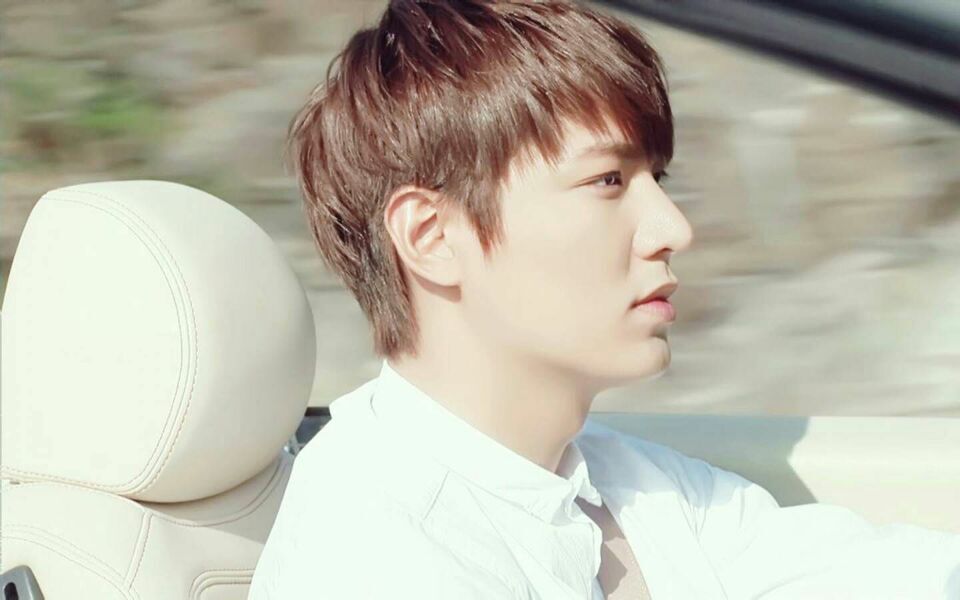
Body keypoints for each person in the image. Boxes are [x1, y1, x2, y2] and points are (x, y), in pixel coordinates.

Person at [248, 0, 960, 598]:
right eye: (607, 182)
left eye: (657, 180)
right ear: (431, 236)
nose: (674, 229)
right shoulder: (371, 555)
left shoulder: (631, 485)